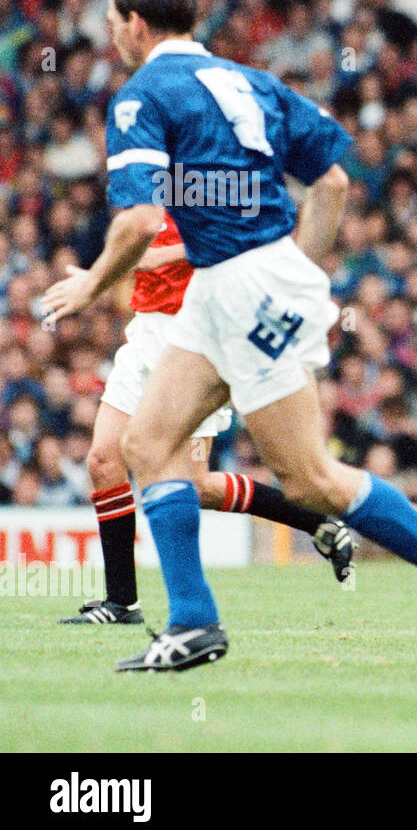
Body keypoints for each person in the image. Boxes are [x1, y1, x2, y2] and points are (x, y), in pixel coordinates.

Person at [42, 0, 417, 672]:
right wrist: (299, 267)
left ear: (134, 22)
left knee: (313, 479)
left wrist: (91, 285)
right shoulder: (252, 82)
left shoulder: (141, 95)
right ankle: (193, 621)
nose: (111, 33)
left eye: (112, 20)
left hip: (242, 287)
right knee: (145, 445)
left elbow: (137, 224)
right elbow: (331, 183)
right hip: (234, 286)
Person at [59, 212, 356, 627]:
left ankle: (318, 524)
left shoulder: (216, 166)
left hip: (196, 338)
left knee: (194, 486)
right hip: (147, 328)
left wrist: (154, 257)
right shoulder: (149, 167)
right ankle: (121, 601)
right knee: (102, 461)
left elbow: (240, 238)